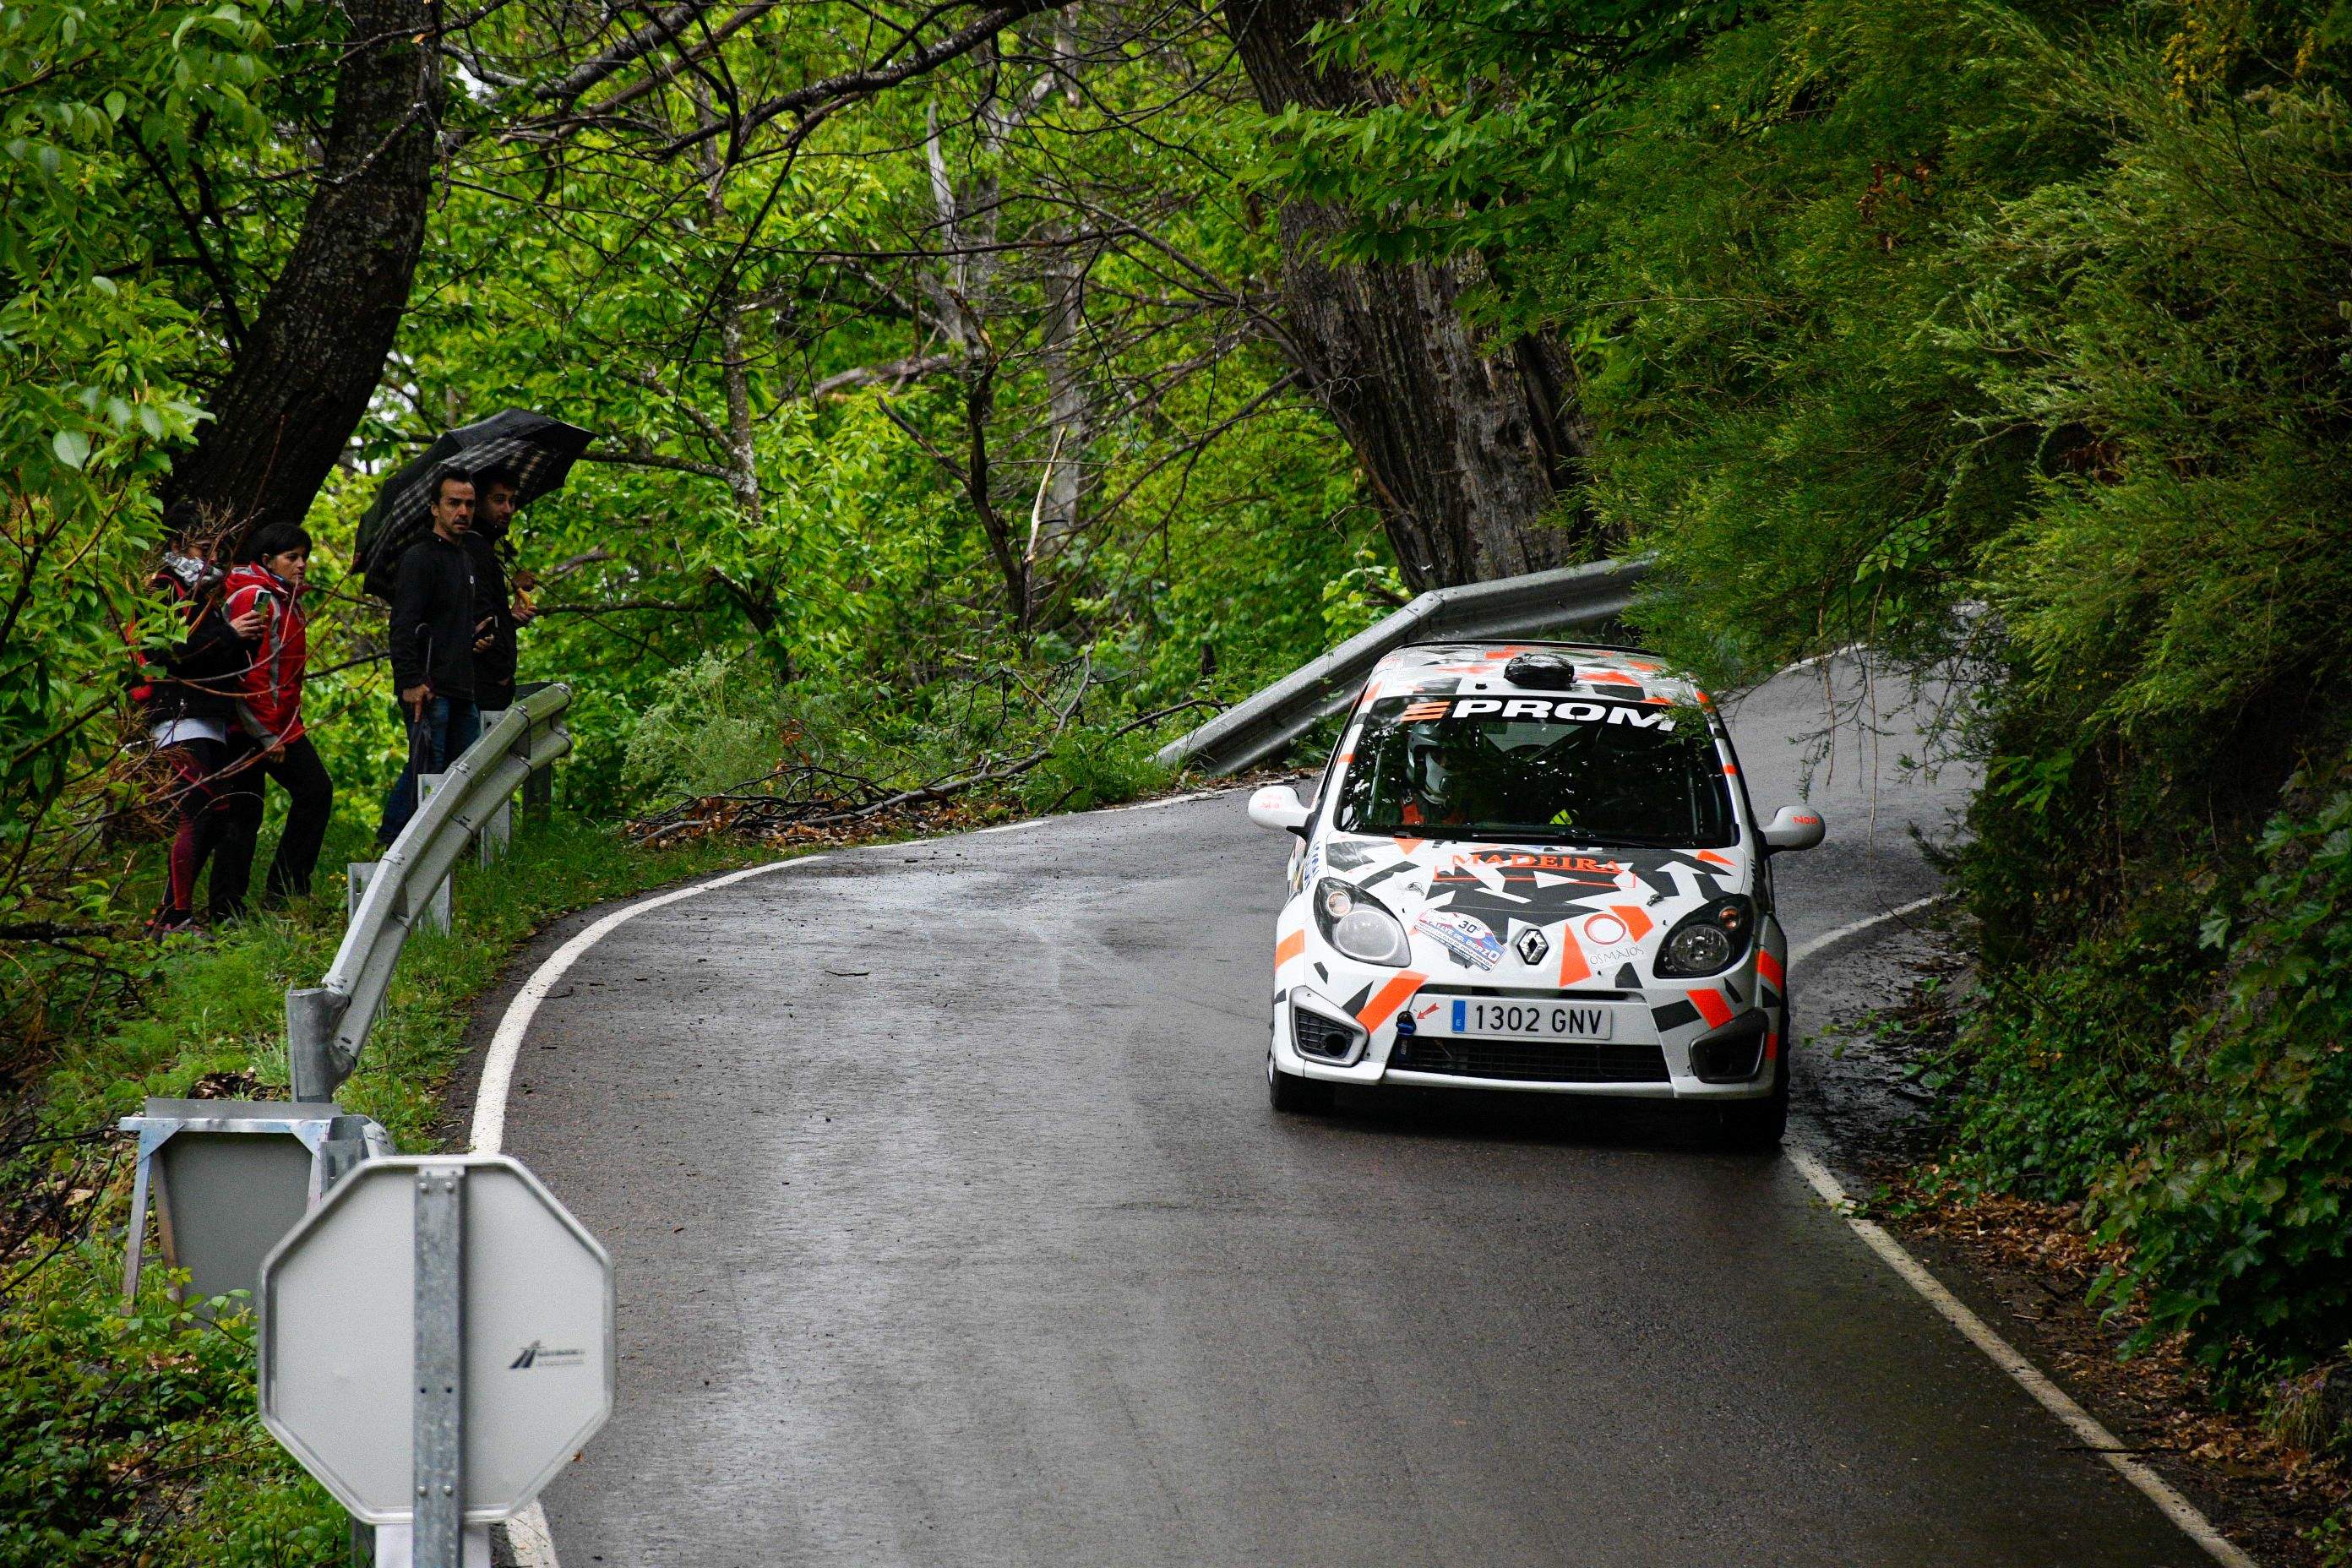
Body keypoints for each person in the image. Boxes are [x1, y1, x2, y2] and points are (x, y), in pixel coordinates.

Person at [133, 536, 265, 933]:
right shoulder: (163, 588)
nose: (212, 554)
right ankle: (177, 918)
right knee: (197, 816)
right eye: (202, 545)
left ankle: (167, 916)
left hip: (208, 718)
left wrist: (239, 640)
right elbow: (166, 652)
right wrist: (229, 634)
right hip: (178, 717)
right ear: (178, 543)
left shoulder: (202, 593)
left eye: (216, 545)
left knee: (214, 816)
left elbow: (214, 656)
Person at [210, 524, 334, 916]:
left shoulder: (288, 599)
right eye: (292, 557)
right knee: (244, 813)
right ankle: (226, 909)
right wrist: (265, 735)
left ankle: (285, 890)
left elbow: (286, 677)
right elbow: (250, 674)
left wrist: (286, 728)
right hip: (245, 727)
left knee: (313, 792)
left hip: (278, 725)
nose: (302, 565)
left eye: (304, 556)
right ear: (268, 561)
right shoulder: (258, 598)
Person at [378, 468, 481, 843]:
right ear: (434, 508)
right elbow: (402, 624)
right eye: (454, 503)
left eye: (469, 504)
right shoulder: (420, 557)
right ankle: (393, 843)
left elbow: (451, 623)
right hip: (429, 686)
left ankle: (441, 850)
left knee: (462, 773)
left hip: (461, 686)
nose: (463, 511)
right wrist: (410, 681)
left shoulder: (465, 560)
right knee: (427, 769)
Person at [463, 466, 538, 714]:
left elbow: (488, 609)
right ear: (478, 502)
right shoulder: (473, 547)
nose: (508, 509)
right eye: (498, 500)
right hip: (481, 686)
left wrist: (509, 618)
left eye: (512, 501)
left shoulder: (489, 545)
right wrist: (500, 672)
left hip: (489, 685)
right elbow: (478, 615)